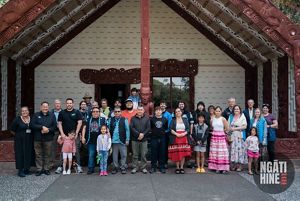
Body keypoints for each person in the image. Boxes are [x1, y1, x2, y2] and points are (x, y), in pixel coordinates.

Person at [57, 98, 83, 173]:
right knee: (63, 151)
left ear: (73, 104)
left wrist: (76, 133)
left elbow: (80, 123)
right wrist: (62, 134)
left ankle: (78, 166)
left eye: (70, 103)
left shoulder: (77, 112)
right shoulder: (62, 113)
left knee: (76, 151)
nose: (69, 104)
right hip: (65, 136)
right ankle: (61, 167)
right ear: (66, 104)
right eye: (67, 103)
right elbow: (59, 123)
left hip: (74, 136)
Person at [31, 101, 57, 176]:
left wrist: (48, 130)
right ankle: (39, 169)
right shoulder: (36, 115)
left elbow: (54, 126)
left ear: (48, 107)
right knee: (38, 154)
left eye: (46, 106)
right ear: (41, 107)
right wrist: (41, 127)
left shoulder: (52, 115)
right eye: (44, 106)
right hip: (37, 138)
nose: (45, 108)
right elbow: (32, 125)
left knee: (47, 154)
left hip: (48, 138)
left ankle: (46, 169)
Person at [82, 107, 106, 174]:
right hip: (91, 141)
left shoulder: (103, 119)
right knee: (91, 155)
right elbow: (84, 128)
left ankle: (102, 169)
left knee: (100, 155)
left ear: (99, 112)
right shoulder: (88, 119)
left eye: (97, 111)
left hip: (101, 141)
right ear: (92, 113)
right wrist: (83, 137)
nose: (95, 113)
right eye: (94, 111)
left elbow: (107, 129)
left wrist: (108, 138)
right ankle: (90, 168)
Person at [10, 106, 33, 177]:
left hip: (29, 140)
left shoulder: (31, 119)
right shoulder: (17, 119)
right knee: (20, 154)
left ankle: (26, 169)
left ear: (28, 111)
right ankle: (20, 170)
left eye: (26, 110)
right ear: (21, 112)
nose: (24, 112)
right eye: (23, 111)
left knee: (28, 153)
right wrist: (19, 136)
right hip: (19, 141)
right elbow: (12, 130)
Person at [168, 108, 192, 174]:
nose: (177, 112)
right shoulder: (173, 120)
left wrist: (183, 133)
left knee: (183, 153)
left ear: (181, 112)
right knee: (177, 153)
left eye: (179, 111)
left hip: (184, 138)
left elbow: (188, 129)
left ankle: (181, 167)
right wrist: (176, 134)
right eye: (176, 112)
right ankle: (177, 167)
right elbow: (170, 129)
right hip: (176, 137)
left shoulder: (185, 120)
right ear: (175, 113)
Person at [107, 107, 130, 174]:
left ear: (121, 112)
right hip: (114, 141)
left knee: (124, 155)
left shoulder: (124, 119)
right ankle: (115, 167)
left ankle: (123, 167)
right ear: (114, 112)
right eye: (116, 111)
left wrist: (127, 139)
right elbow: (108, 130)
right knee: (114, 155)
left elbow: (127, 130)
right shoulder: (110, 120)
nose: (117, 113)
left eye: (118, 111)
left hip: (122, 140)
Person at [208, 106, 230, 174]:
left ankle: (223, 168)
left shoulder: (223, 119)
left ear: (221, 112)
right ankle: (215, 167)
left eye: (219, 111)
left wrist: (222, 132)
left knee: (222, 153)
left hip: (221, 138)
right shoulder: (212, 119)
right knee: (214, 153)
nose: (217, 112)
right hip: (214, 137)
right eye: (216, 111)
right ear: (214, 111)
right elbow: (212, 127)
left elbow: (227, 128)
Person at [130, 106, 151, 174]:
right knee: (135, 154)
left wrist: (143, 134)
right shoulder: (133, 118)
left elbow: (148, 128)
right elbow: (131, 128)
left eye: (141, 110)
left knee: (143, 154)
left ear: (143, 111)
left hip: (144, 139)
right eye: (138, 110)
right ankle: (135, 167)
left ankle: (143, 167)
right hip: (135, 139)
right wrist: (138, 134)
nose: (140, 111)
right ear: (137, 111)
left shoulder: (147, 118)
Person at [228, 105, 247, 172]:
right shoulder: (230, 116)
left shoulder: (242, 116)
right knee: (233, 150)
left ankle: (240, 166)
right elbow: (228, 126)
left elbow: (245, 126)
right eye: (235, 109)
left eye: (237, 109)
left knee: (240, 151)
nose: (236, 110)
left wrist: (235, 128)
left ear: (240, 110)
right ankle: (234, 165)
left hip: (240, 136)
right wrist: (229, 134)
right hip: (233, 136)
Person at [150, 106, 168, 174]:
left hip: (162, 138)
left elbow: (166, 128)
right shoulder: (152, 119)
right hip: (154, 138)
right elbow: (151, 128)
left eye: (159, 110)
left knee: (162, 153)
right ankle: (153, 167)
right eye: (157, 110)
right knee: (153, 153)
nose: (158, 111)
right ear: (155, 112)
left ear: (161, 111)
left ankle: (162, 167)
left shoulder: (165, 119)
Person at [160, 101, 172, 168]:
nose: (162, 106)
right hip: (158, 134)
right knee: (159, 148)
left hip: (165, 134)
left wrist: (165, 131)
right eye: (161, 104)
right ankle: (159, 162)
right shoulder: (157, 113)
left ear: (165, 106)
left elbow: (170, 124)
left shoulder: (168, 114)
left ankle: (165, 162)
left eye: (163, 105)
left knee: (165, 149)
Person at [50, 99, 62, 169]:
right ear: (54, 104)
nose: (57, 105)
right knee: (53, 148)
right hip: (54, 132)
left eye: (59, 103)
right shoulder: (50, 112)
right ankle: (51, 163)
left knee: (63, 148)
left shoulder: (63, 112)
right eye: (56, 103)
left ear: (60, 104)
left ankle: (62, 163)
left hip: (62, 132)